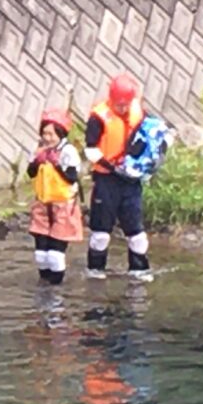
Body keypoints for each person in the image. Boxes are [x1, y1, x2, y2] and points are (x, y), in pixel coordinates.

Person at [84, 75, 170, 276]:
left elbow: (155, 134)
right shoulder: (98, 117)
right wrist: (112, 167)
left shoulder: (138, 112)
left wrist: (157, 157)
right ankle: (95, 271)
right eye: (118, 104)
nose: (122, 108)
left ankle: (139, 270)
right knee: (101, 232)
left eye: (125, 104)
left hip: (131, 180)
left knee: (136, 231)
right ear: (111, 99)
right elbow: (91, 149)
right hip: (106, 178)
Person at [27, 108, 85, 284]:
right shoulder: (39, 150)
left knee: (54, 255)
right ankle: (44, 282)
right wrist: (37, 161)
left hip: (63, 205)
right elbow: (31, 173)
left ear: (60, 134)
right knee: (41, 255)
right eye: (44, 133)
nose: (47, 138)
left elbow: (73, 177)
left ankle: (56, 288)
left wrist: (58, 165)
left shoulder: (68, 152)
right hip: (43, 205)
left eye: (51, 134)